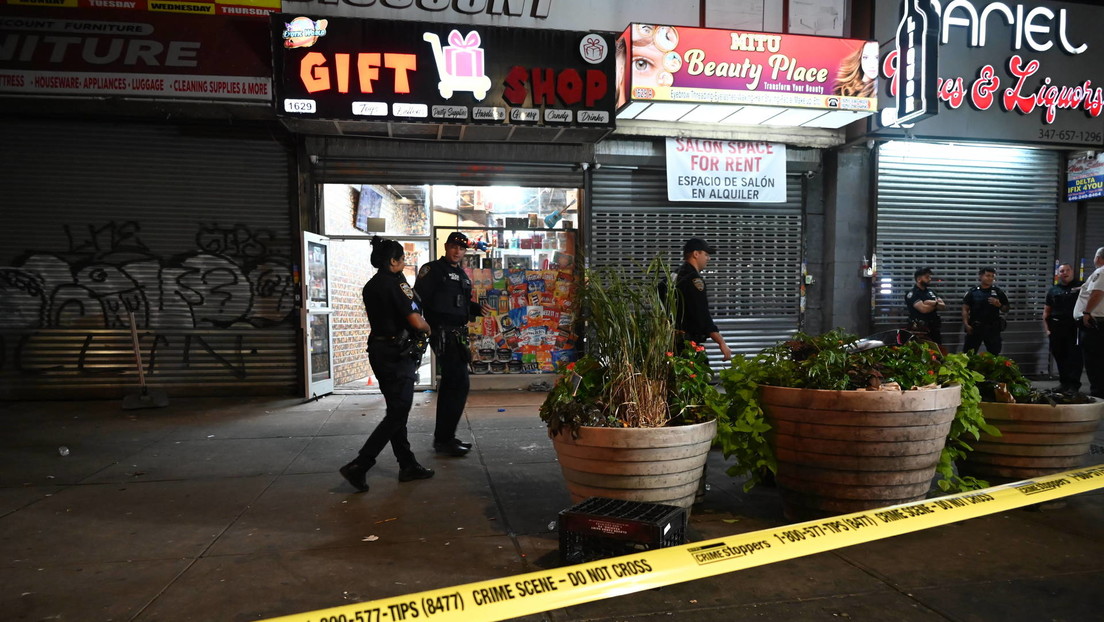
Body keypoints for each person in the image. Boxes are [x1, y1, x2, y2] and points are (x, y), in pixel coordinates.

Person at [339, 236, 434, 493]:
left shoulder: (371, 285)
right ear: (393, 261)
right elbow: (415, 321)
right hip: (397, 354)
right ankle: (361, 464)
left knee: (396, 410)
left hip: (379, 350)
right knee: (398, 412)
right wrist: (428, 329)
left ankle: (407, 464)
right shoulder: (395, 284)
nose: (404, 264)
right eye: (402, 259)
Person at [415, 231, 489, 457]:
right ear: (446, 247)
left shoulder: (462, 275)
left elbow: (462, 302)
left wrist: (477, 309)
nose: (457, 251)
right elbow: (417, 299)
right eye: (454, 247)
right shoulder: (432, 270)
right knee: (458, 382)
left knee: (453, 384)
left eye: (462, 248)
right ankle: (445, 439)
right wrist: (422, 328)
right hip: (442, 333)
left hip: (458, 333)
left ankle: (445, 438)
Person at [671, 237, 732, 361]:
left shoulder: (675, 275)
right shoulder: (694, 280)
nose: (708, 258)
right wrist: (721, 342)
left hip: (671, 343)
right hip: (688, 346)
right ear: (696, 254)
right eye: (706, 254)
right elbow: (702, 314)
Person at [1043, 263, 1083, 393]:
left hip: (1074, 326)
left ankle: (1073, 385)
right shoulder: (1054, 290)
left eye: (1067, 270)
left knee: (1074, 357)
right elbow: (1046, 312)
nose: (1064, 273)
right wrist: (1047, 329)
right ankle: (1064, 383)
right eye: (1061, 271)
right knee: (1059, 355)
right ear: (1058, 274)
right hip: (1056, 327)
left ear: (1072, 272)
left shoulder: (1081, 287)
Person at [1073, 247, 1104, 398]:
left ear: (1098, 258)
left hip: (1094, 323)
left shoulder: (1101, 271)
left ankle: (1098, 396)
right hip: (1099, 322)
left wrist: (1086, 312)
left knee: (1094, 362)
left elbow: (1097, 293)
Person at [961, 266, 1009, 354]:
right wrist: (966, 324)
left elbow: (1006, 309)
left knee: (994, 355)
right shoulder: (972, 292)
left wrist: (999, 305)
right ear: (981, 276)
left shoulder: (998, 292)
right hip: (975, 328)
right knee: (968, 355)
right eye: (988, 275)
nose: (990, 278)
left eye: (992, 276)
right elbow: (965, 309)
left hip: (992, 329)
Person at [904, 266, 946, 345]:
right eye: (927, 277)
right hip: (920, 329)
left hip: (934, 328)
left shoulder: (931, 292)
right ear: (919, 279)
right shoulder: (912, 293)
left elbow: (943, 306)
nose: (930, 279)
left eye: (930, 277)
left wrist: (931, 303)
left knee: (938, 351)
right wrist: (936, 304)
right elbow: (923, 309)